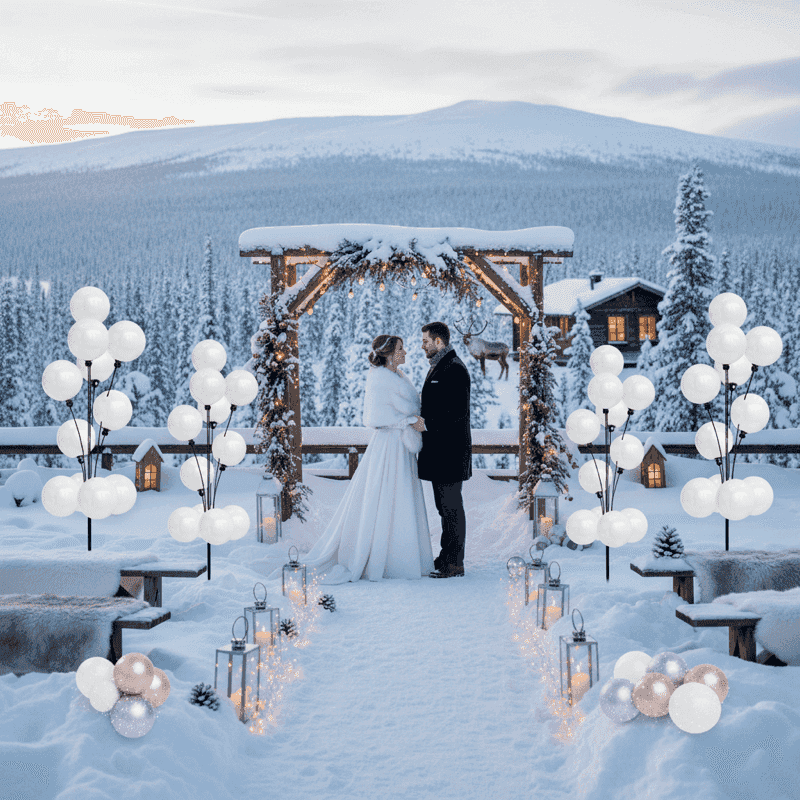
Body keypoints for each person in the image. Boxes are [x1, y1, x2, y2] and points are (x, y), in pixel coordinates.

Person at [298, 335, 434, 584]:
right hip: (389, 446)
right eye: (401, 349)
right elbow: (375, 417)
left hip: (401, 446)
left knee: (401, 497)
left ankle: (402, 556)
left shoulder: (398, 377)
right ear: (390, 353)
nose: (406, 352)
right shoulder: (380, 378)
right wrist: (408, 421)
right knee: (384, 496)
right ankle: (383, 557)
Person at [418, 321, 472, 578]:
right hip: (441, 453)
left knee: (451, 508)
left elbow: (456, 413)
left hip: (449, 453)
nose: (423, 346)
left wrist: (426, 423)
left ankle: (454, 562)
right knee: (444, 508)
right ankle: (445, 556)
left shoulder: (454, 369)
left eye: (426, 341)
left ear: (439, 341)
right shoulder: (442, 366)